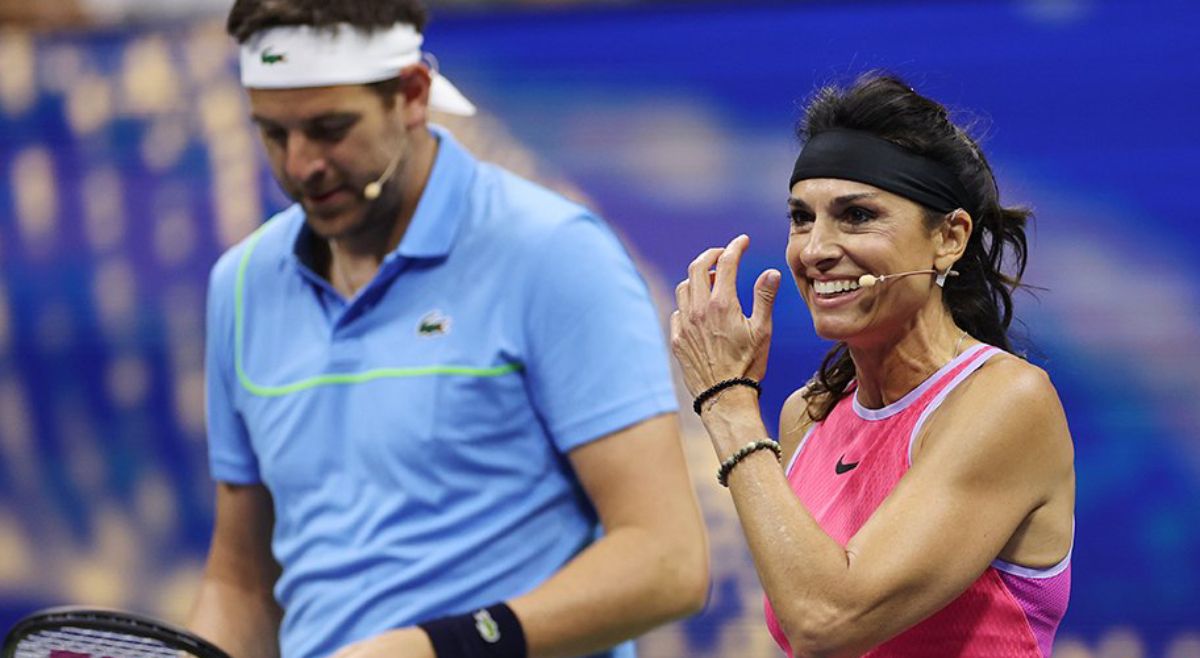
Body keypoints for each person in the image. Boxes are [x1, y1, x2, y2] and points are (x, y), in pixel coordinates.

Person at [188, 2, 709, 658]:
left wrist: (442, 648)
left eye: (329, 129)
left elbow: (667, 564)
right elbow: (241, 584)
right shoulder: (239, 285)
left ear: (412, 95)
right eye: (272, 134)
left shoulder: (554, 253)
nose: (301, 166)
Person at [670, 73, 1074, 657]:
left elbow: (828, 620)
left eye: (857, 215)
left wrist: (729, 404)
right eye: (802, 217)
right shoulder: (806, 416)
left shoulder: (1007, 401)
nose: (815, 249)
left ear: (949, 238)